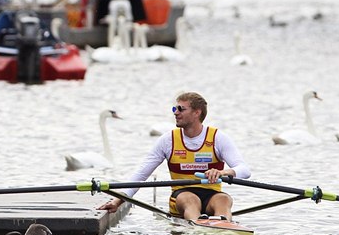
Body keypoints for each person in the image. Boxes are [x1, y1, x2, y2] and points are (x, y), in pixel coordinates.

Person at [97, 92, 251, 222]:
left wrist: (223, 172)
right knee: (190, 200)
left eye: (180, 109)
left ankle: (224, 228)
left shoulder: (218, 137)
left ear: (197, 113)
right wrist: (117, 200)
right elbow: (141, 175)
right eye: (174, 108)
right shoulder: (167, 140)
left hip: (212, 194)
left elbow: (244, 170)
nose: (175, 113)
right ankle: (199, 227)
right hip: (182, 196)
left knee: (224, 200)